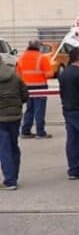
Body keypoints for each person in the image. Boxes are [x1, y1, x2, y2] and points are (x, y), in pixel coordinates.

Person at [58, 47, 79, 180]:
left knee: (72, 140)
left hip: (67, 109)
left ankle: (73, 169)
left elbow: (61, 91)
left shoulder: (64, 72)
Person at [16, 40, 54, 139]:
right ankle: (40, 132)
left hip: (26, 88)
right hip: (40, 88)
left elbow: (18, 74)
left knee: (29, 110)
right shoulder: (42, 58)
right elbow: (49, 74)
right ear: (38, 47)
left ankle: (25, 131)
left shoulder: (21, 57)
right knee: (39, 110)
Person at [0, 59, 28, 190]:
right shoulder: (15, 76)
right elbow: (25, 94)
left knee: (4, 149)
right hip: (15, 117)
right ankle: (14, 176)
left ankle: (10, 181)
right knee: (13, 147)